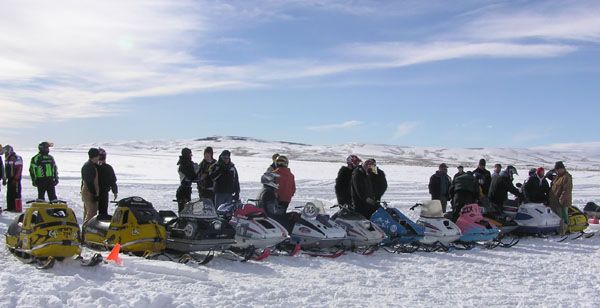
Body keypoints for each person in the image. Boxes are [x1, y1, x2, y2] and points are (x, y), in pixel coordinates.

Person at [550, 161, 572, 233]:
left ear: (562, 169)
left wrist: (561, 200)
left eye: (557, 169)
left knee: (562, 217)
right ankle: (558, 231)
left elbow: (567, 190)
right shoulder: (557, 177)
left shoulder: (566, 177)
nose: (556, 171)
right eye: (556, 170)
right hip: (555, 202)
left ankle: (563, 232)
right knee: (557, 217)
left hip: (562, 202)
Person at [97, 148, 118, 219]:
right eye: (99, 156)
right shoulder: (92, 167)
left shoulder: (108, 168)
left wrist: (115, 191)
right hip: (93, 192)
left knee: (103, 212)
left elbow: (113, 180)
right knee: (91, 212)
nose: (101, 159)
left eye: (102, 157)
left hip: (104, 192)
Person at [176, 148, 198, 212]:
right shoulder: (184, 165)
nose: (191, 156)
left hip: (186, 189)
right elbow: (192, 176)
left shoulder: (186, 163)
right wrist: (196, 169)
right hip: (183, 190)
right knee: (184, 211)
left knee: (186, 210)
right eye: (190, 154)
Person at [81, 148, 100, 222]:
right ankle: (87, 230)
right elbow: (89, 182)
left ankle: (85, 229)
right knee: (91, 213)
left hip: (89, 191)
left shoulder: (91, 165)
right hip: (89, 192)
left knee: (88, 212)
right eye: (98, 156)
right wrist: (94, 194)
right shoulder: (88, 166)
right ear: (95, 156)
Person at [2, 145, 23, 212]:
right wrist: (5, 178)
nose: (5, 153)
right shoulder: (7, 158)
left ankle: (18, 208)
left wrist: (16, 178)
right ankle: (10, 207)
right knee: (9, 193)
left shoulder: (17, 158)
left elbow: (19, 169)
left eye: (6, 151)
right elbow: (5, 169)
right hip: (10, 179)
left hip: (16, 179)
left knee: (16, 193)